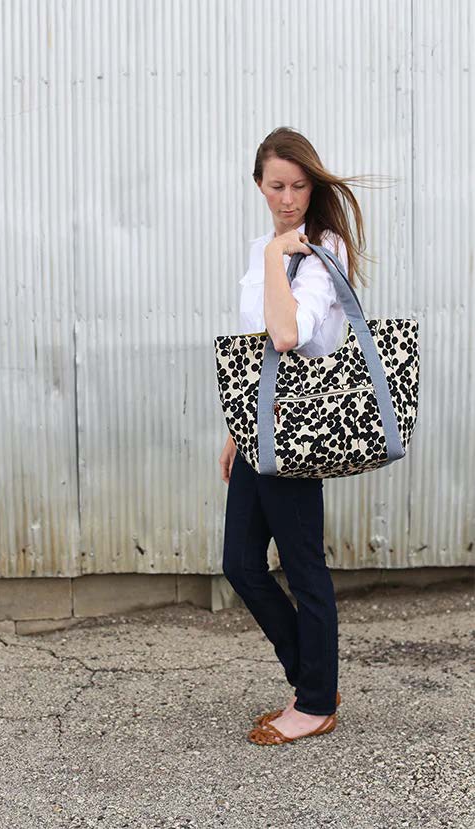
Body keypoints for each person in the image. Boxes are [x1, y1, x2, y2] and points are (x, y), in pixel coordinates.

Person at [219, 127, 372, 746]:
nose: (289, 198)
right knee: (239, 564)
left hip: (303, 430)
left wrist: (276, 259)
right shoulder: (268, 243)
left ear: (314, 184)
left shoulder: (320, 248)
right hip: (260, 426)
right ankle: (313, 677)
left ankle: (314, 704)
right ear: (259, 184)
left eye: (300, 185)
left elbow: (286, 335)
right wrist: (236, 427)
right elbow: (258, 354)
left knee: (305, 567)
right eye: (277, 185)